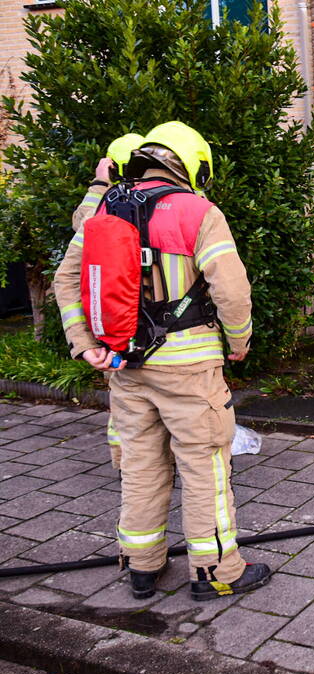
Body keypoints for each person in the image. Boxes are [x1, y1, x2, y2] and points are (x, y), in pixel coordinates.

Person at [53, 121, 269, 602]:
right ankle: (216, 572)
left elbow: (65, 280)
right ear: (193, 165)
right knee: (205, 468)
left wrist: (84, 342)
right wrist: (239, 340)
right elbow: (232, 290)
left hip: (125, 365)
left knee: (141, 467)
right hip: (190, 371)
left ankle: (142, 566)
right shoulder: (198, 211)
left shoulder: (106, 207)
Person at [65, 132, 145, 471]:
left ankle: (125, 464)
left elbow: (80, 224)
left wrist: (99, 183)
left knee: (123, 401)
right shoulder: (161, 199)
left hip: (113, 319)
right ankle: (154, 465)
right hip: (154, 319)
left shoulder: (105, 204)